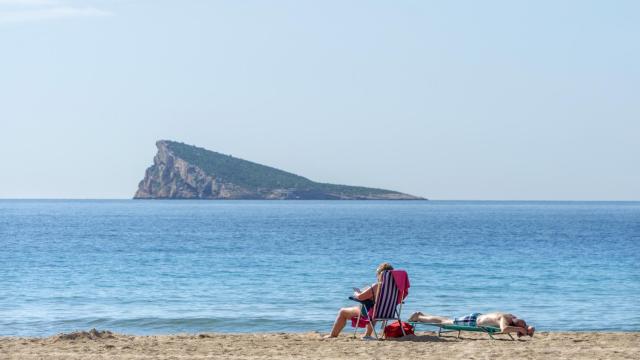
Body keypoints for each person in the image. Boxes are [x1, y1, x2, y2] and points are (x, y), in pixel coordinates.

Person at [327, 262, 394, 338]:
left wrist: (356, 293)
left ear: (380, 274)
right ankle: (367, 334)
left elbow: (360, 297)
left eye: (377, 274)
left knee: (342, 312)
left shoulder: (377, 286)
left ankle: (332, 335)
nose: (376, 276)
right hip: (387, 312)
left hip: (374, 312)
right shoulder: (395, 287)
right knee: (374, 308)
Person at [408, 311, 535, 337]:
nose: (523, 325)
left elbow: (518, 328)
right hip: (473, 321)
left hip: (477, 317)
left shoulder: (512, 317)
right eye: (523, 325)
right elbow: (504, 329)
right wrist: (519, 328)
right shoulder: (504, 319)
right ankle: (419, 316)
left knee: (446, 319)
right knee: (444, 322)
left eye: (524, 325)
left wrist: (527, 329)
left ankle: (422, 316)